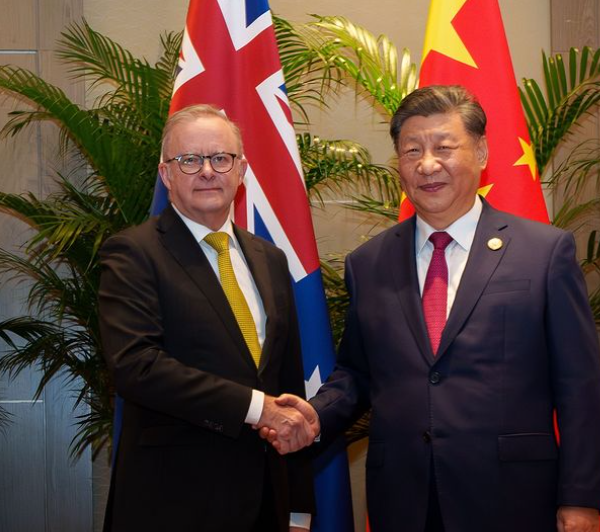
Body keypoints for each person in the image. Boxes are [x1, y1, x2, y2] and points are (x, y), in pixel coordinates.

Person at [264, 85, 600, 532]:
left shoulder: (543, 252)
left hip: (512, 499)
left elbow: (580, 386)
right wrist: (316, 416)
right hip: (404, 501)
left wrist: (581, 499)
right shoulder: (369, 263)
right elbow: (359, 374)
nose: (427, 165)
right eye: (412, 150)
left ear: (480, 151)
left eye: (444, 147)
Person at [98, 104, 316, 532]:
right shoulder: (134, 253)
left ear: (241, 170)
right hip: (172, 504)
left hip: (265, 504)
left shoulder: (269, 259)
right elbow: (136, 366)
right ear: (167, 175)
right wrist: (257, 409)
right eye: (189, 160)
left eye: (221, 158)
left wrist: (297, 507)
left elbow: (286, 388)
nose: (207, 172)